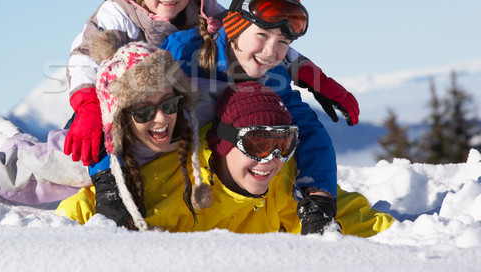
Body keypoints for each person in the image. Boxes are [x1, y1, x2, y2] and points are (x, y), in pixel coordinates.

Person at [64, 0, 359, 168]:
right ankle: (105, 181)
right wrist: (88, 105)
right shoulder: (119, 12)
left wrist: (312, 75)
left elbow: (256, 38)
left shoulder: (203, 10)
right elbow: (84, 55)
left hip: (170, 107)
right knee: (96, 131)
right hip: (118, 100)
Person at [0, 33, 211, 231]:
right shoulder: (85, 158)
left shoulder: (185, 130)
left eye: (169, 104)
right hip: (35, 157)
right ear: (118, 115)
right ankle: (2, 135)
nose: (160, 119)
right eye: (142, 110)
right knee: (28, 157)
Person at [57, 81, 394, 237]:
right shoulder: (166, 179)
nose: (272, 159)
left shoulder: (284, 183)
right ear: (221, 144)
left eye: (284, 143)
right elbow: (73, 220)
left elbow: (360, 220)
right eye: (258, 143)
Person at [160, 0, 344, 233]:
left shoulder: (273, 75)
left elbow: (306, 128)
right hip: (173, 182)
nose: (271, 52)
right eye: (262, 35)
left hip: (241, 186)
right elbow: (133, 108)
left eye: (283, 42)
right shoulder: (185, 52)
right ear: (236, 27)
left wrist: (319, 196)